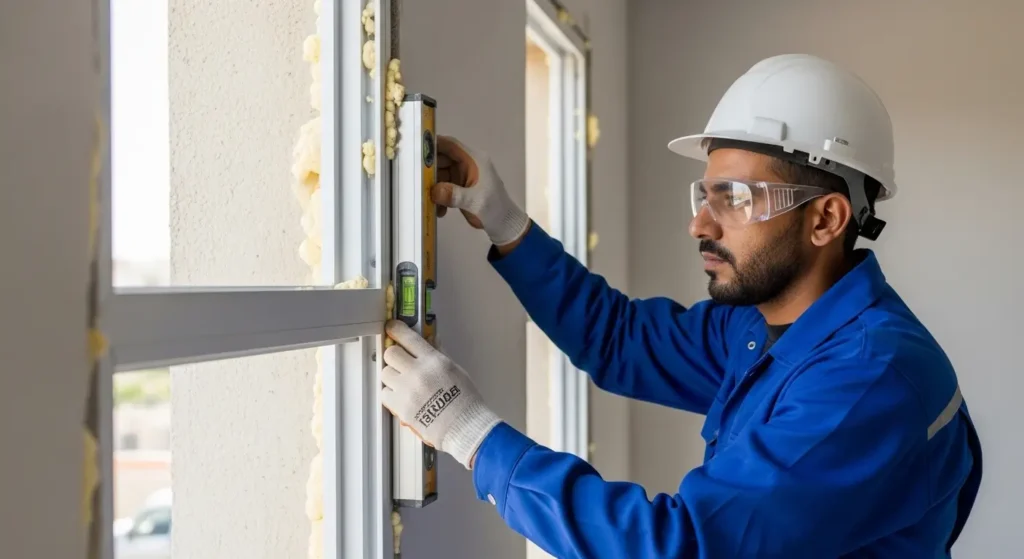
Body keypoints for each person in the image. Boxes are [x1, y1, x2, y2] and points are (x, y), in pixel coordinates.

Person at [378, 54, 983, 558]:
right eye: (705, 194)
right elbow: (621, 341)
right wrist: (505, 221)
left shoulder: (869, 380)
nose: (700, 224)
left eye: (735, 198)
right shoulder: (762, 323)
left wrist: (470, 433)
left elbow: (684, 546)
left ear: (825, 219)